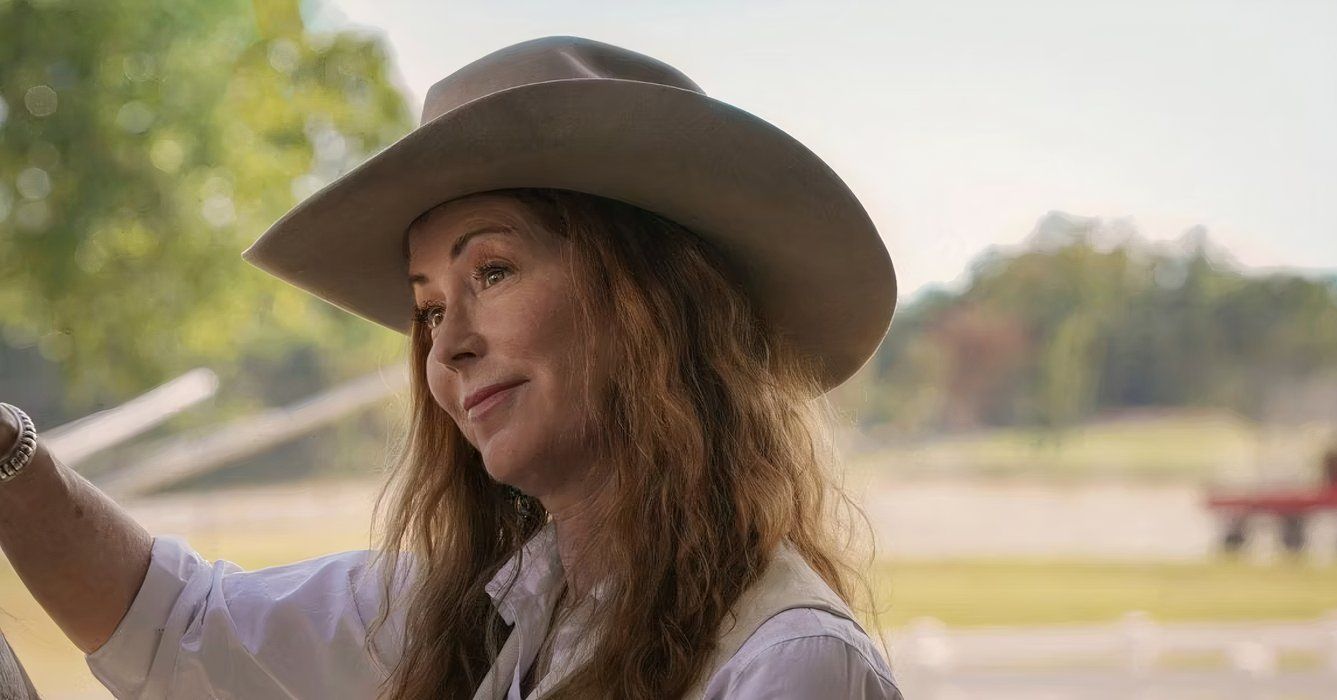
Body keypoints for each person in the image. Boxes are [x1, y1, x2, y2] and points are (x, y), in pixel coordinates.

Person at [0, 36, 902, 698]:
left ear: (651, 304)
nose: (447, 344)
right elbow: (179, 625)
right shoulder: (488, 611)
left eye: (493, 272)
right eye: (429, 307)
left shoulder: (789, 665)